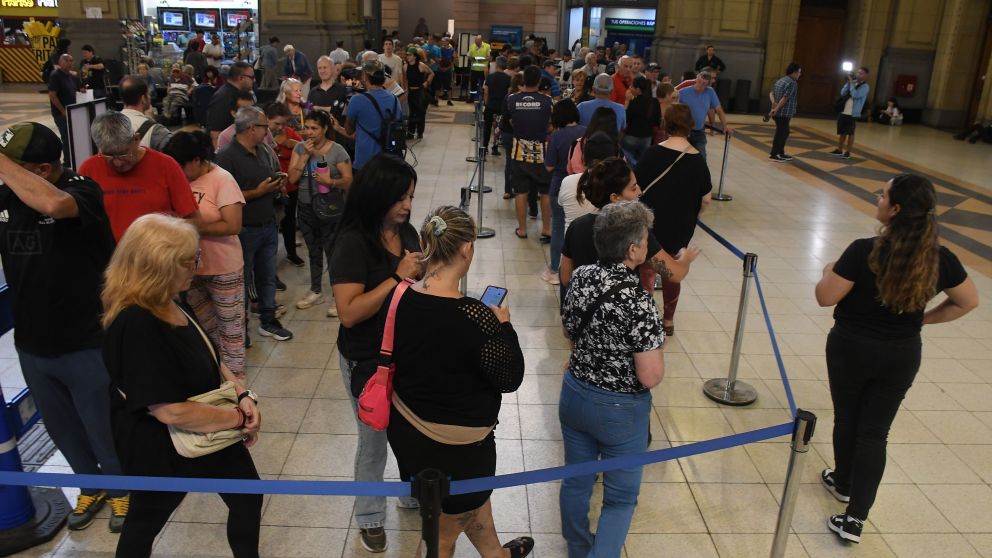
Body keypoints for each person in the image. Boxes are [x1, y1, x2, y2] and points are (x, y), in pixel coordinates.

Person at [814, 173, 978, 544]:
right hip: (901, 354)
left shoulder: (863, 251)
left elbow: (825, 297)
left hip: (851, 348)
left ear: (896, 209)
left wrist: (828, 271)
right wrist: (923, 319)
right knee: (875, 433)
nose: (879, 197)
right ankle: (855, 519)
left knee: (847, 417)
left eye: (884, 194)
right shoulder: (940, 259)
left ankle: (843, 481)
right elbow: (967, 301)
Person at [102, 213, 262, 557]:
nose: (196, 267)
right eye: (189, 260)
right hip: (158, 444)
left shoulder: (170, 299)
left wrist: (242, 394)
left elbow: (209, 355)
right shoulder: (136, 323)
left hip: (206, 422)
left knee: (247, 497)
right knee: (146, 518)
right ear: (159, 265)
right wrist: (236, 419)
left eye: (195, 256)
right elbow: (169, 410)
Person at [0, 122, 128, 533]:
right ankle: (90, 485)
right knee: (62, 427)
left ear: (41, 170)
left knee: (102, 425)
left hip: (85, 340)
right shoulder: (8, 196)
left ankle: (124, 488)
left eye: (12, 166)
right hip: (33, 343)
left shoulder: (81, 190)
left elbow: (54, 206)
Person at [388, 205, 534, 558]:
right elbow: (509, 377)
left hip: (408, 430)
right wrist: (504, 327)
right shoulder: (474, 316)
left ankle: (497, 554)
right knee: (440, 536)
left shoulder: (400, 295)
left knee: (464, 507)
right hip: (459, 447)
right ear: (467, 248)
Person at [559, 200, 666, 558]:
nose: (648, 245)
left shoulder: (581, 276)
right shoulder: (639, 301)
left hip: (575, 393)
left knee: (577, 481)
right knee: (620, 499)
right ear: (633, 250)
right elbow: (649, 375)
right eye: (646, 240)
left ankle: (578, 549)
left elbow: (568, 328)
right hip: (620, 411)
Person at [328, 155, 423, 552]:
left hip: (407, 352)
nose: (407, 205)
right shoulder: (352, 243)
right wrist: (396, 277)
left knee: (409, 430)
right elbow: (350, 313)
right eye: (400, 197)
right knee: (373, 440)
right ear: (377, 195)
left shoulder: (408, 233)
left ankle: (411, 493)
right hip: (367, 359)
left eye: (411, 196)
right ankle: (370, 516)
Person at [162, 131, 247, 377]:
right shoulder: (178, 180)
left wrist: (191, 227)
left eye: (181, 166)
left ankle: (237, 388)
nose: (177, 171)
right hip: (189, 271)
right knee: (205, 332)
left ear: (197, 160)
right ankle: (216, 380)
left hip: (223, 268)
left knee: (231, 333)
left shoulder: (222, 179)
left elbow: (233, 225)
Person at [215, 106, 294, 342]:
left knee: (267, 276)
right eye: (264, 127)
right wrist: (257, 192)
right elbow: (224, 197)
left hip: (268, 224)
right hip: (244, 229)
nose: (268, 131)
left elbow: (269, 177)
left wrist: (276, 185)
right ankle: (241, 329)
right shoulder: (226, 157)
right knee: (243, 282)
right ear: (251, 128)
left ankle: (268, 321)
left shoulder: (263, 150)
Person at [634, 104, 712, 335]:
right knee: (673, 270)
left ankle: (646, 318)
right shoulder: (698, 160)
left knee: (647, 269)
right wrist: (694, 214)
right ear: (691, 125)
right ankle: (668, 320)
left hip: (651, 222)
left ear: (665, 124)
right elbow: (706, 199)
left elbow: (635, 188)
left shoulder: (652, 153)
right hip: (681, 225)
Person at [78, 111, 199, 241]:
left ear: (136, 139)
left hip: (156, 251)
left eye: (124, 154)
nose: (118, 163)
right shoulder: (88, 170)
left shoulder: (166, 166)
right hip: (108, 253)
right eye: (109, 155)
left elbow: (193, 220)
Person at [287, 110, 352, 316]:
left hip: (330, 210)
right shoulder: (300, 148)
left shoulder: (337, 151)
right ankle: (316, 290)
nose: (309, 132)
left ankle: (338, 294)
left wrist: (330, 182)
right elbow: (292, 179)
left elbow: (348, 181)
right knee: (313, 250)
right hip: (306, 208)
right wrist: (305, 156)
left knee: (333, 252)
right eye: (306, 128)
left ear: (324, 129)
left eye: (314, 128)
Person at [505, 65, 553, 242]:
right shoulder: (547, 101)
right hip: (541, 153)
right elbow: (551, 124)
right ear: (539, 81)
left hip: (519, 152)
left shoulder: (511, 99)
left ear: (523, 80)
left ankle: (523, 229)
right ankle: (547, 229)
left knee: (521, 192)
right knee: (545, 192)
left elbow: (510, 122)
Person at [543, 100, 585, 286]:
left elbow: (549, 166)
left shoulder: (557, 136)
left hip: (560, 186)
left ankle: (555, 270)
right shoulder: (587, 132)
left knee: (558, 228)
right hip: (584, 187)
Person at [265, 102, 305, 267]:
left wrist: (290, 143)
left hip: (290, 186)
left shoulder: (289, 133)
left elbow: (305, 148)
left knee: (289, 221)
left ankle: (291, 252)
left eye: (283, 123)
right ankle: (269, 263)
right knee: (271, 226)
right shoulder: (262, 136)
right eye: (277, 123)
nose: (280, 127)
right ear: (267, 119)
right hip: (270, 187)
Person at [345, 60, 404, 171]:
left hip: (365, 161)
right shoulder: (394, 99)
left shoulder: (357, 100)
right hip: (389, 160)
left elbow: (348, 130)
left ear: (365, 77)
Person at [678, 69, 732, 160]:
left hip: (699, 131)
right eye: (699, 82)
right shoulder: (683, 92)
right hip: (683, 131)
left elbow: (718, 110)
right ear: (696, 80)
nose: (701, 86)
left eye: (704, 84)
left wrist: (724, 126)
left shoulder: (710, 92)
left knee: (702, 158)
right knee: (681, 158)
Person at [207, 61, 256, 147]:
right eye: (252, 77)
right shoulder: (223, 97)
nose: (254, 80)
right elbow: (215, 133)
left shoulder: (235, 93)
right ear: (241, 78)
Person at [119, 75, 172, 151]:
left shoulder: (107, 124)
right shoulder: (155, 130)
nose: (150, 97)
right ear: (143, 99)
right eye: (149, 94)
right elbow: (177, 151)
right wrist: (150, 121)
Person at [47, 54, 80, 164]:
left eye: (71, 60)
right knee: (66, 137)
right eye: (66, 60)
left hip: (73, 112)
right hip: (61, 113)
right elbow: (52, 95)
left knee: (74, 136)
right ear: (60, 62)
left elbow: (78, 90)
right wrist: (62, 110)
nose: (69, 63)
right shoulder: (55, 75)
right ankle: (67, 161)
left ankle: (75, 158)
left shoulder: (72, 76)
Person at [831, 66, 870, 159]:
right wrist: (848, 83)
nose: (858, 75)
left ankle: (848, 152)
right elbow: (843, 93)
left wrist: (852, 83)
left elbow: (855, 95)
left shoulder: (865, 86)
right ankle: (839, 150)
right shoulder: (853, 83)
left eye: (861, 73)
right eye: (858, 73)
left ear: (866, 75)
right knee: (842, 132)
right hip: (843, 110)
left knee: (850, 132)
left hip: (853, 113)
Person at [768, 63, 802, 162]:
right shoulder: (792, 83)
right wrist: (776, 109)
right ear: (794, 72)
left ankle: (780, 152)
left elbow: (771, 93)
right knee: (781, 133)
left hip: (778, 112)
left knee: (784, 132)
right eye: (799, 72)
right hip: (784, 113)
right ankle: (774, 154)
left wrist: (773, 103)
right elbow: (785, 98)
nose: (800, 74)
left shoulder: (781, 80)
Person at [623, 76, 660, 161]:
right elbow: (656, 122)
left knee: (628, 163)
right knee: (642, 162)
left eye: (632, 86)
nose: (630, 88)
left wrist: (627, 101)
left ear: (638, 90)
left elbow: (625, 119)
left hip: (631, 136)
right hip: (647, 138)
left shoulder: (633, 102)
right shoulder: (655, 102)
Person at [483, 56, 511, 155]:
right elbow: (509, 93)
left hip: (490, 105)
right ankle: (495, 147)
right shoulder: (508, 78)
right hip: (502, 107)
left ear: (497, 65)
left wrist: (486, 103)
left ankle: (484, 147)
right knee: (498, 128)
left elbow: (486, 91)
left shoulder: (490, 77)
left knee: (487, 127)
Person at [404, 48, 434, 140]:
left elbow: (432, 73)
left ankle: (420, 132)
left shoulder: (421, 65)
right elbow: (405, 80)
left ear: (415, 56)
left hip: (420, 91)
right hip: (411, 91)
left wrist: (427, 82)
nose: (408, 57)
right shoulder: (405, 66)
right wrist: (405, 90)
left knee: (421, 112)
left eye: (410, 55)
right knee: (412, 112)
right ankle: (410, 133)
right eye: (407, 55)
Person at [467, 35, 491, 101]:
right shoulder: (472, 46)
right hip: (474, 69)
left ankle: (482, 98)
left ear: (481, 41)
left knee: (483, 84)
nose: (476, 44)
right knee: (473, 84)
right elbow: (468, 55)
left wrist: (483, 60)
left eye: (478, 43)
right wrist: (471, 58)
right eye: (476, 42)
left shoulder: (487, 46)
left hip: (483, 70)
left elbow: (489, 57)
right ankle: (472, 97)